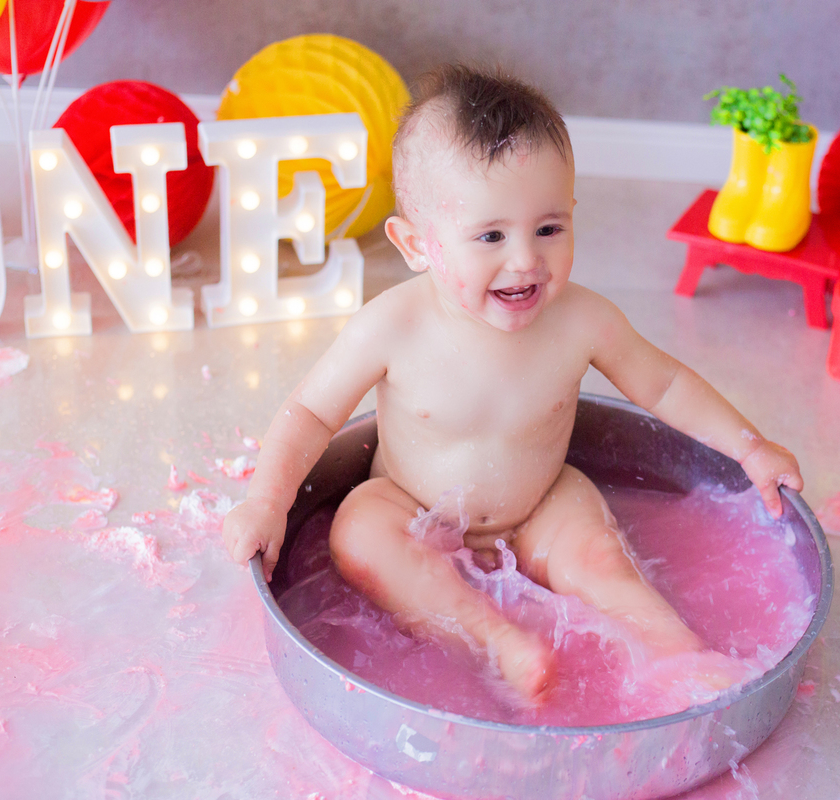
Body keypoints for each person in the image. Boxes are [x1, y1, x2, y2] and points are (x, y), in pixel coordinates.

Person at [223, 64, 803, 704]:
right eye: (491, 236)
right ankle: (492, 640)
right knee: (359, 533)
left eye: (548, 229)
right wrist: (268, 502)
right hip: (411, 506)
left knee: (600, 561)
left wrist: (750, 447)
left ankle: (681, 656)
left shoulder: (583, 319)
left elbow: (663, 386)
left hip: (542, 507)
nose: (525, 259)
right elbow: (310, 412)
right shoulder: (391, 326)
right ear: (416, 244)